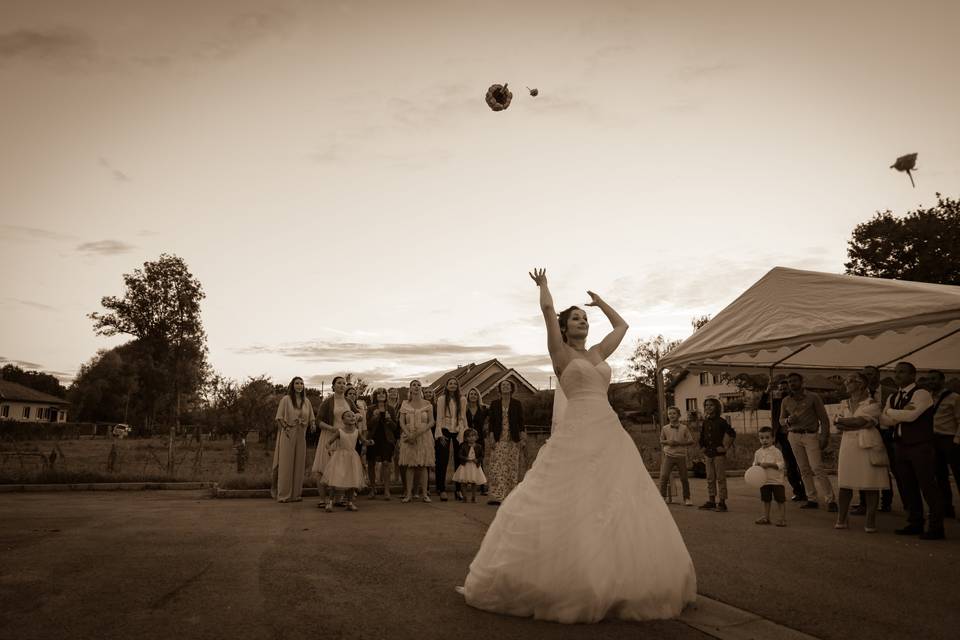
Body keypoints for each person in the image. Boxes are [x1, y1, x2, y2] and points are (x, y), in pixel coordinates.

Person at [458, 269, 696, 623]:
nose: (582, 322)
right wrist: (544, 286)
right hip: (577, 431)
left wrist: (601, 304)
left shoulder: (599, 353)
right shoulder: (561, 354)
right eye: (576, 318)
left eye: (585, 319)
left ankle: (617, 579)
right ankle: (569, 579)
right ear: (565, 327)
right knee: (573, 499)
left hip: (609, 432)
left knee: (617, 499)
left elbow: (623, 327)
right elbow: (547, 311)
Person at [880, 362, 944, 539]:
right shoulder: (893, 396)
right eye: (896, 372)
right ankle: (915, 522)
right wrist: (897, 413)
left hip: (920, 446)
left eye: (902, 372)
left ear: (912, 375)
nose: (897, 375)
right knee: (908, 487)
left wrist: (891, 412)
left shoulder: (922, 393)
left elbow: (910, 416)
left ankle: (936, 527)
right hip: (900, 445)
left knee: (928, 486)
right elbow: (884, 421)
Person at [833, 372, 886, 533]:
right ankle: (841, 519)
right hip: (848, 445)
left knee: (870, 483)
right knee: (845, 482)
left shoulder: (873, 403)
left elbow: (860, 421)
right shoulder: (844, 403)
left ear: (861, 384)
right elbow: (838, 426)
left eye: (850, 381)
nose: (846, 383)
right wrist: (853, 423)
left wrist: (844, 421)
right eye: (846, 380)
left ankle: (870, 521)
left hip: (867, 445)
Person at [780, 372, 837, 512]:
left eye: (794, 381)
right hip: (793, 435)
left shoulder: (813, 397)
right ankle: (811, 498)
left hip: (810, 435)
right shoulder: (786, 400)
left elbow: (824, 419)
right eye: (789, 381)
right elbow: (781, 420)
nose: (792, 384)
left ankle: (831, 499)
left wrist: (824, 436)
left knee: (817, 467)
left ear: (802, 382)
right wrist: (787, 421)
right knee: (803, 468)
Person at [853, 365, 898, 514]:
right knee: (863, 467)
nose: (868, 377)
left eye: (871, 374)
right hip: (864, 434)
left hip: (886, 435)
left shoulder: (891, 393)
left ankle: (886, 502)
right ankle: (863, 503)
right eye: (864, 375)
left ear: (878, 375)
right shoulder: (858, 395)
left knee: (885, 468)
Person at [312, 376, 357, 505]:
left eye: (344, 383)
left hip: (343, 438)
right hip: (328, 435)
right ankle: (322, 499)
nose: (342, 385)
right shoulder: (327, 401)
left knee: (340, 468)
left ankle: (338, 499)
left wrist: (357, 416)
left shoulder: (349, 401)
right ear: (333, 386)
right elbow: (318, 421)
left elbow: (356, 414)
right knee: (323, 466)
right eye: (339, 383)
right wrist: (332, 428)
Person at [922, 370, 959, 520]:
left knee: (958, 474)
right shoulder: (927, 398)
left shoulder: (954, 398)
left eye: (934, 379)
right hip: (933, 440)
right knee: (940, 476)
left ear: (943, 381)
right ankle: (946, 508)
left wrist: (957, 441)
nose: (931, 382)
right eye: (929, 379)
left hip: (950, 439)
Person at [272, 377, 316, 503]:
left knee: (299, 464)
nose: (299, 385)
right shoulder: (286, 400)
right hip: (288, 432)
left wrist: (312, 424)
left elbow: (312, 417)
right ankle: (284, 495)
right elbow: (279, 417)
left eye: (301, 383)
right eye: (297, 383)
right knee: (286, 464)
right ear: (292, 385)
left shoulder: (306, 401)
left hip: (301, 434)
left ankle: (296, 495)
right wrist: (285, 428)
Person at [485, 379, 526, 505]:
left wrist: (522, 438)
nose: (505, 387)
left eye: (508, 385)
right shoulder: (494, 403)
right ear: (500, 388)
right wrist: (491, 436)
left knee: (512, 467)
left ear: (512, 388)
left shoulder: (517, 403)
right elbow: (491, 422)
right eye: (503, 385)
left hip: (513, 439)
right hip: (499, 438)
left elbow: (521, 421)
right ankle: (497, 496)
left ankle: (510, 496)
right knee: (497, 467)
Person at [321, 410, 369, 512]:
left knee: (352, 479)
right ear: (342, 420)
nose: (352, 417)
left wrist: (369, 442)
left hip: (352, 457)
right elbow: (328, 443)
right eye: (348, 416)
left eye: (353, 416)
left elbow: (363, 441)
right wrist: (329, 448)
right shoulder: (340, 431)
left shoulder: (357, 431)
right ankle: (330, 502)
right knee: (335, 479)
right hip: (340, 457)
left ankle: (350, 503)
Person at [769, 378, 806, 501]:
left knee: (800, 464)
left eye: (785, 389)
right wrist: (767, 390)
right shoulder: (775, 401)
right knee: (790, 465)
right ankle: (798, 491)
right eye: (780, 389)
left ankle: (806, 490)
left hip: (794, 433)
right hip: (782, 436)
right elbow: (762, 405)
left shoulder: (793, 400)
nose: (782, 391)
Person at [398, 380, 435, 503]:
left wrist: (418, 433)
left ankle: (424, 494)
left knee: (423, 465)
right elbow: (401, 421)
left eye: (419, 385)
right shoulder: (405, 404)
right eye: (414, 385)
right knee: (410, 465)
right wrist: (409, 434)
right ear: (410, 388)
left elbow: (431, 422)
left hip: (424, 435)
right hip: (408, 436)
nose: (416, 387)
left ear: (421, 388)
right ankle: (408, 494)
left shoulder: (428, 404)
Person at [697, 398, 736, 512]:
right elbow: (702, 436)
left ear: (717, 407)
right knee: (710, 478)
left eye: (711, 405)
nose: (708, 407)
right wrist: (702, 446)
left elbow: (732, 433)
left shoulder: (721, 421)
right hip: (708, 454)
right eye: (706, 405)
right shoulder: (705, 421)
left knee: (720, 479)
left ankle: (722, 503)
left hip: (719, 455)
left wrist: (725, 447)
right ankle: (712, 501)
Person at [435, 377, 467, 501]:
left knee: (459, 460)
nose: (453, 385)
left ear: (457, 386)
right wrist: (439, 434)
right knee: (443, 460)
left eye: (455, 383)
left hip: (458, 430)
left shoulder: (462, 399)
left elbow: (463, 417)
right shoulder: (442, 399)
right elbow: (439, 417)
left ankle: (458, 490)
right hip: (445, 430)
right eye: (450, 383)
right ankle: (441, 489)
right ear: (447, 386)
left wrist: (463, 431)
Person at [366, 387, 400, 500]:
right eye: (378, 393)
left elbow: (395, 427)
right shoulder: (370, 409)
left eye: (383, 393)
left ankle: (387, 490)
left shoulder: (390, 409)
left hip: (387, 439)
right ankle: (372, 489)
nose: (381, 394)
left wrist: (389, 420)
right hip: (373, 438)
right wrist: (375, 417)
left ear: (386, 396)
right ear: (375, 396)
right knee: (371, 463)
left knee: (386, 463)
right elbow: (368, 426)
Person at [659, 406, 694, 506]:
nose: (672, 415)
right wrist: (668, 442)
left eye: (674, 413)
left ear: (678, 415)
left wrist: (679, 443)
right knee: (664, 476)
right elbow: (661, 441)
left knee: (684, 478)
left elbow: (691, 441)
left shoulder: (684, 428)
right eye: (670, 414)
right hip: (669, 455)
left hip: (680, 456)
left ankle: (687, 498)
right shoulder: (665, 428)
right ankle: (662, 497)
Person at [752, 427, 786, 527]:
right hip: (764, 481)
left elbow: (781, 465)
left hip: (776, 481)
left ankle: (782, 519)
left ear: (773, 439)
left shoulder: (776, 452)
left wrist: (769, 465)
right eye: (761, 438)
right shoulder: (758, 452)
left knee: (780, 500)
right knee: (765, 500)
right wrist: (756, 465)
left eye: (767, 437)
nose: (764, 440)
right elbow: (754, 465)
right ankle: (765, 517)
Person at [464, 387, 489, 495]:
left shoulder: (483, 409)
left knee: (479, 461)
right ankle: (466, 484)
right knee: (467, 460)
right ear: (468, 396)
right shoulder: (464, 409)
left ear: (478, 396)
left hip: (479, 439)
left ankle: (482, 485)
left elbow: (492, 417)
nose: (473, 396)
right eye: (471, 394)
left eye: (475, 394)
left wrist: (487, 427)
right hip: (467, 438)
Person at [453, 428, 486, 503]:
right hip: (465, 466)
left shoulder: (479, 446)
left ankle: (474, 497)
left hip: (474, 466)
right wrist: (466, 458)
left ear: (476, 437)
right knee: (463, 482)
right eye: (469, 436)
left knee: (474, 482)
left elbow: (482, 455)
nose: (471, 438)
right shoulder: (463, 446)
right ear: (465, 438)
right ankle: (464, 496)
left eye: (473, 436)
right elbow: (460, 455)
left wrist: (478, 460)